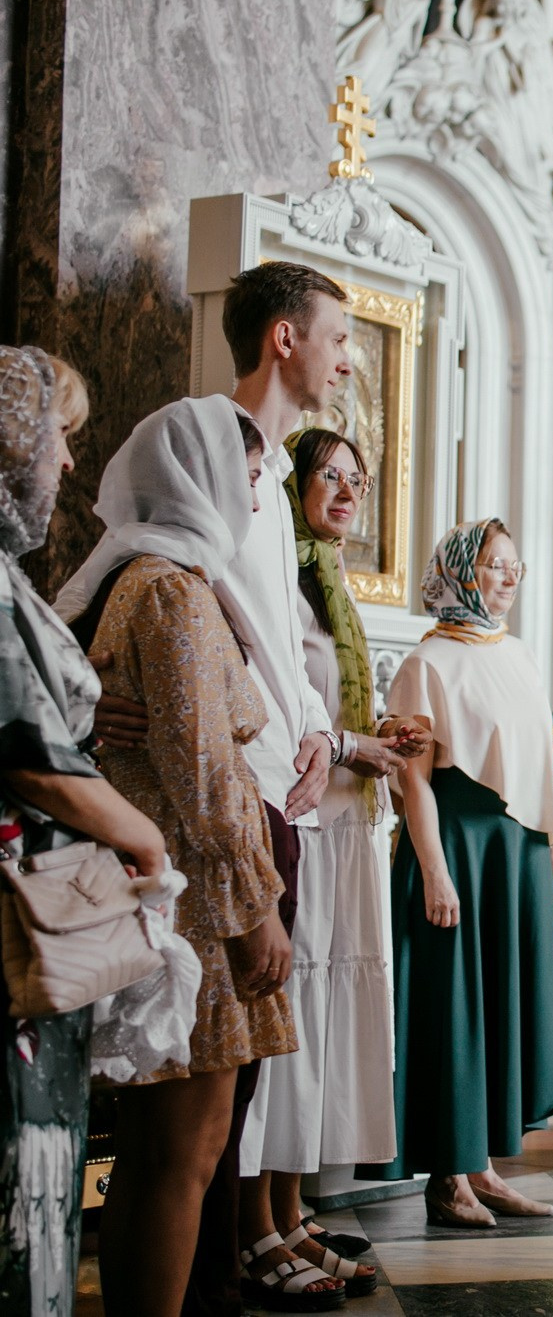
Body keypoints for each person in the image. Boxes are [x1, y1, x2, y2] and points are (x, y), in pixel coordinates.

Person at [56, 260, 351, 1317]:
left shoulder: (178, 566)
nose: (253, 481)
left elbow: (261, 679)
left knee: (185, 1141)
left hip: (215, 862)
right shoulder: (173, 588)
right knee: (184, 1149)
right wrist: (255, 904)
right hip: (205, 889)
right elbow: (199, 760)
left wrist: (313, 733)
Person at [0, 348, 173, 1317]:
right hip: (16, 917)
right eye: (58, 438)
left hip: (35, 910)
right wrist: (141, 835)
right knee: (22, 1167)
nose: (68, 464)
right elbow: (25, 748)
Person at [236, 429, 427, 1293]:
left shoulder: (328, 580)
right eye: (330, 475)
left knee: (315, 1022)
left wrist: (379, 734)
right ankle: (255, 1223)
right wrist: (354, 743)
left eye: (359, 479)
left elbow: (326, 702)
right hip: (301, 815)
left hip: (349, 821)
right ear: (292, 485)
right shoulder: (276, 576)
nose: (348, 490)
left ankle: (290, 1209)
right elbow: (276, 708)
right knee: (284, 1024)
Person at [363, 519, 553, 1225]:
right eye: (494, 566)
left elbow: (540, 762)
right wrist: (435, 871)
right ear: (459, 574)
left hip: (515, 851)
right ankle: (446, 1176)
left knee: (499, 1000)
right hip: (454, 842)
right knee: (454, 1005)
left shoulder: (520, 655)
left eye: (516, 566)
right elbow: (412, 781)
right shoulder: (428, 661)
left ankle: (482, 1165)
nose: (510, 577)